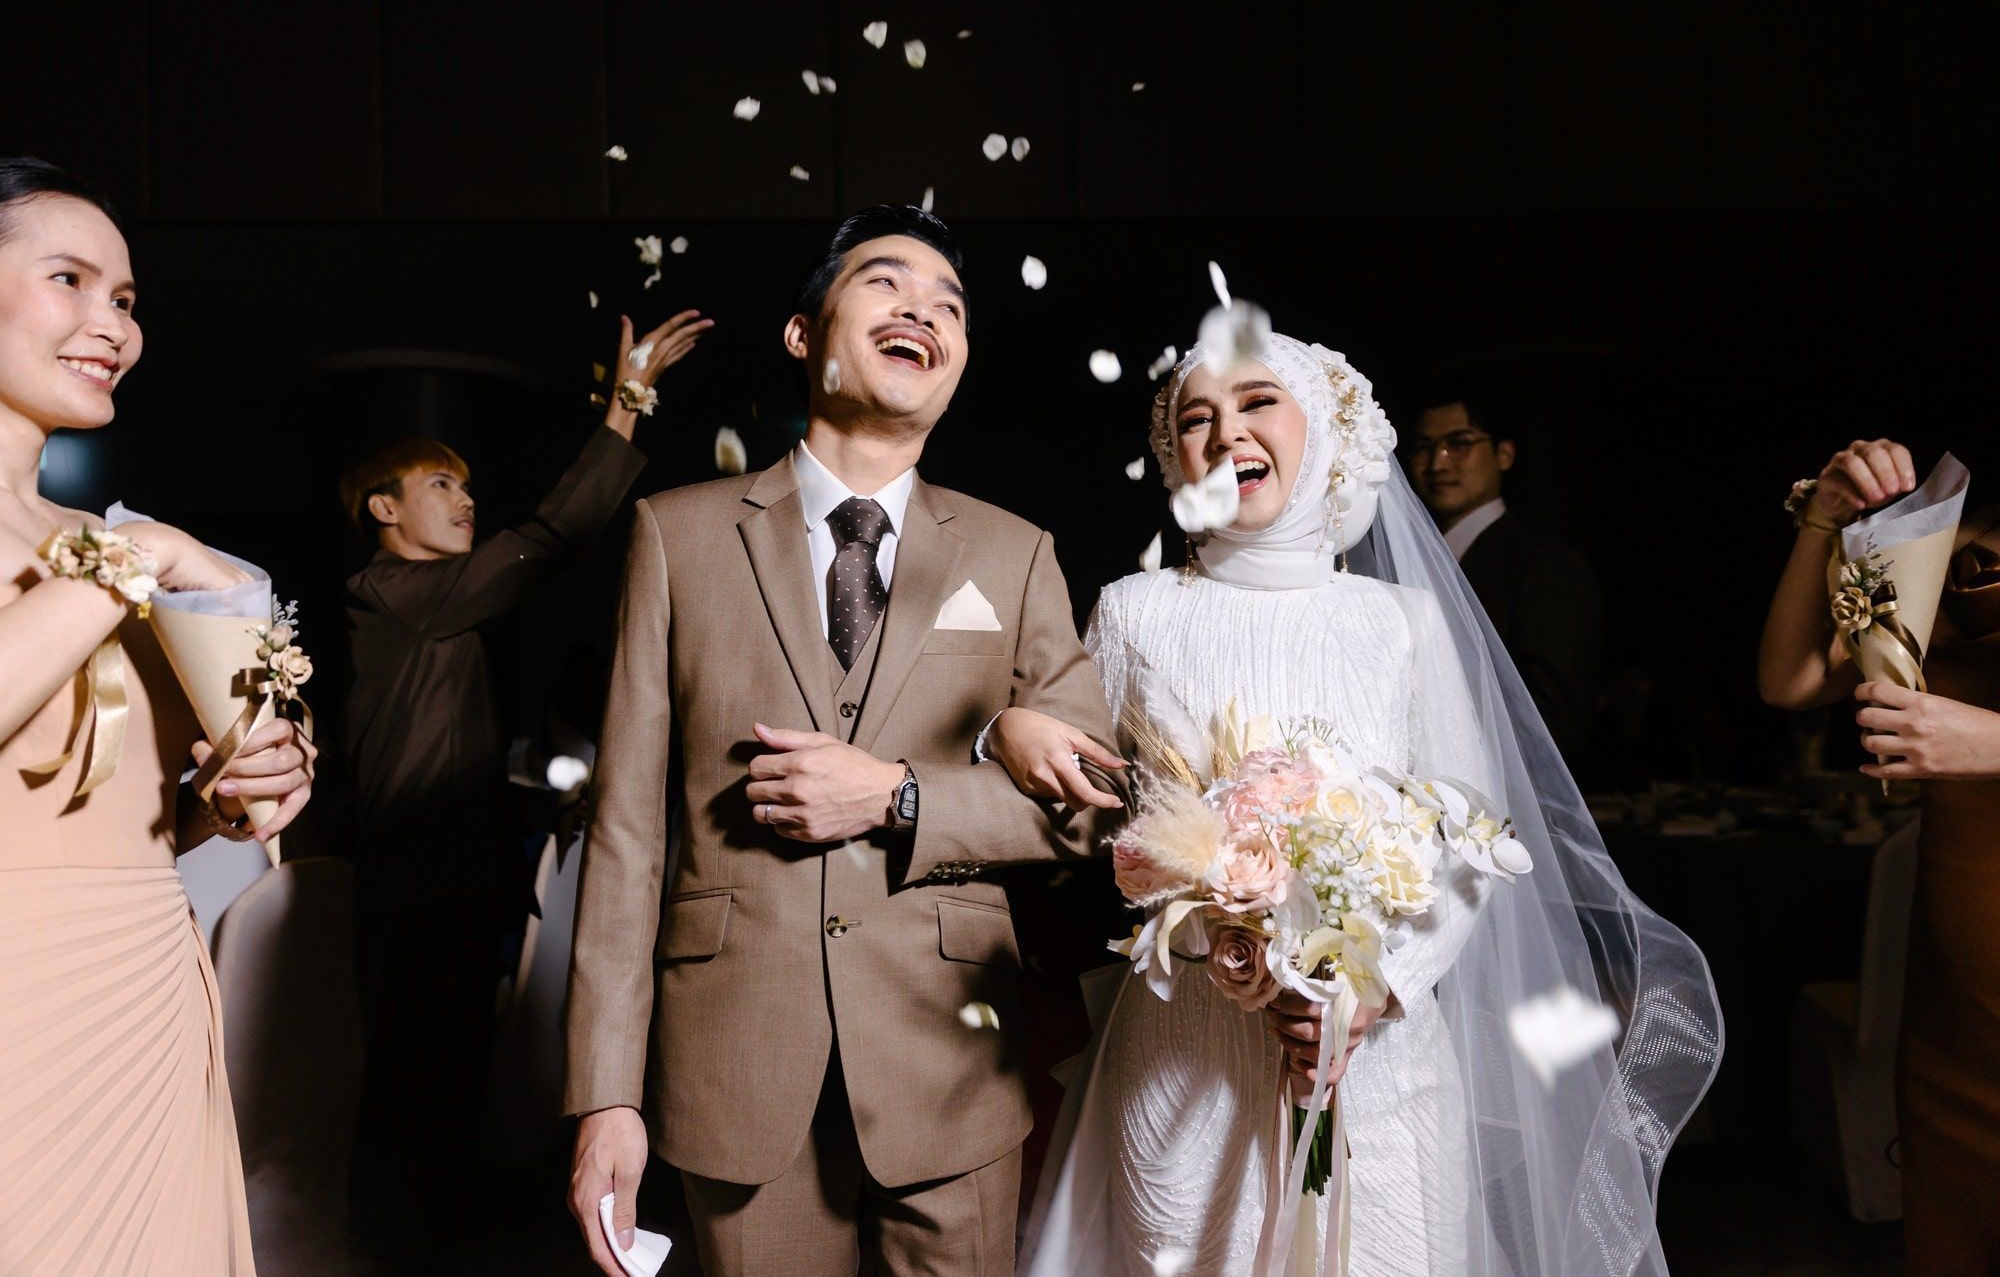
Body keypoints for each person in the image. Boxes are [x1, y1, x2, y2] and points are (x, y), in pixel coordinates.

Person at [996, 335, 1721, 1274]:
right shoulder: (1133, 612)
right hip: (1186, 1053)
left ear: (1324, 432)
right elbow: (1089, 818)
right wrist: (1010, 734)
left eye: (1258, 403)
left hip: (1383, 1063)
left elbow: (1476, 834)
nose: (1226, 433)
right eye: (1196, 418)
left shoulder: (1399, 620)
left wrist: (1370, 987)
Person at [562, 205, 1123, 1277]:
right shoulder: (676, 535)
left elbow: (1094, 808)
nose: (923, 310)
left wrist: (900, 796)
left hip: (951, 1067)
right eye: (885, 283)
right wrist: (605, 1094)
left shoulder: (1014, 554)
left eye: (949, 305)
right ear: (802, 332)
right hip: (733, 1066)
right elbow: (627, 833)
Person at [0, 156, 317, 1275]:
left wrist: (239, 790)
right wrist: (134, 561)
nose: (112, 324)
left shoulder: (101, 534)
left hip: (149, 987)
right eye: (68, 279)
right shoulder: (130, 551)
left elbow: (140, 809)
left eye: (125, 297)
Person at [337, 308, 708, 1259]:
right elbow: (552, 536)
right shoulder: (389, 592)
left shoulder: (437, 612)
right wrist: (627, 403)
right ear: (384, 509)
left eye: (466, 482)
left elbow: (450, 753)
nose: (465, 499)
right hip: (417, 896)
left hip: (451, 892)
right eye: (440, 483)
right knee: (414, 1111)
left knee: (447, 1104)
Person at [1758, 438, 2000, 1270]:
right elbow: (1791, 680)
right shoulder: (1960, 526)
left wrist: (1993, 744)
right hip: (1957, 1008)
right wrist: (1822, 520)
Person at [1405, 388, 1604, 756]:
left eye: (1459, 443)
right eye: (1423, 447)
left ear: (1504, 454)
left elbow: (1553, 722)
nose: (1437, 464)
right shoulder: (1407, 560)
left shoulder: (1547, 564)